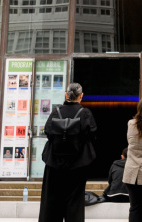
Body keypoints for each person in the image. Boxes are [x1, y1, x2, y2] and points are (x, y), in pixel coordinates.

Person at [39, 82, 97, 222]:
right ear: (81, 96)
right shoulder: (85, 113)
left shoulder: (56, 112)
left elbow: (48, 131)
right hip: (77, 165)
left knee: (51, 202)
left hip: (54, 164)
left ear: (66, 95)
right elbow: (92, 134)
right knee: (75, 203)